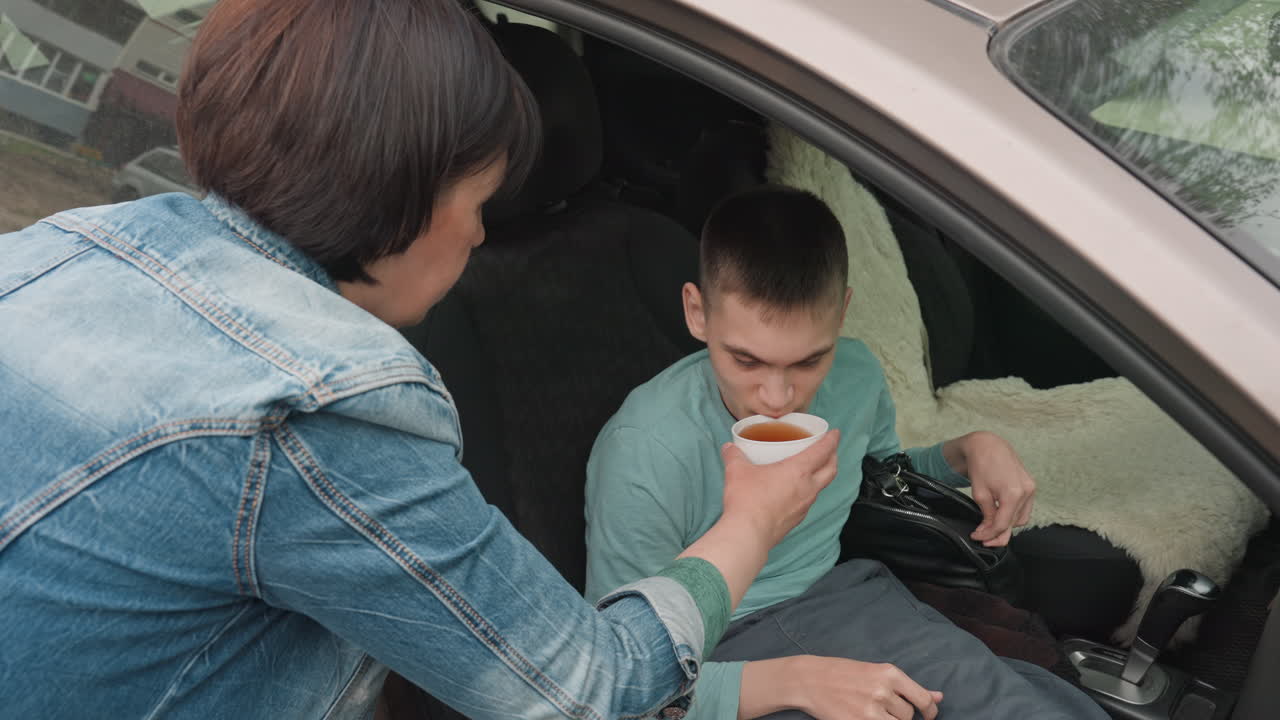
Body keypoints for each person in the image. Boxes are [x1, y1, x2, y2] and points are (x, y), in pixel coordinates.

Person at [0, 3, 841, 719]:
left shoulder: (55, 249)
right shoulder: (320, 408)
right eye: (477, 202)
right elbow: (587, 690)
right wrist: (754, 518)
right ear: (397, 192)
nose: (480, 234)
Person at [584, 185, 1109, 720]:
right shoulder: (644, 449)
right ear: (697, 314)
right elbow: (619, 673)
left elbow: (882, 477)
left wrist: (968, 451)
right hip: (708, 654)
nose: (778, 398)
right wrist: (794, 680)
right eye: (747, 361)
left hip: (851, 600)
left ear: (842, 315)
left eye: (809, 362)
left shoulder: (856, 375)